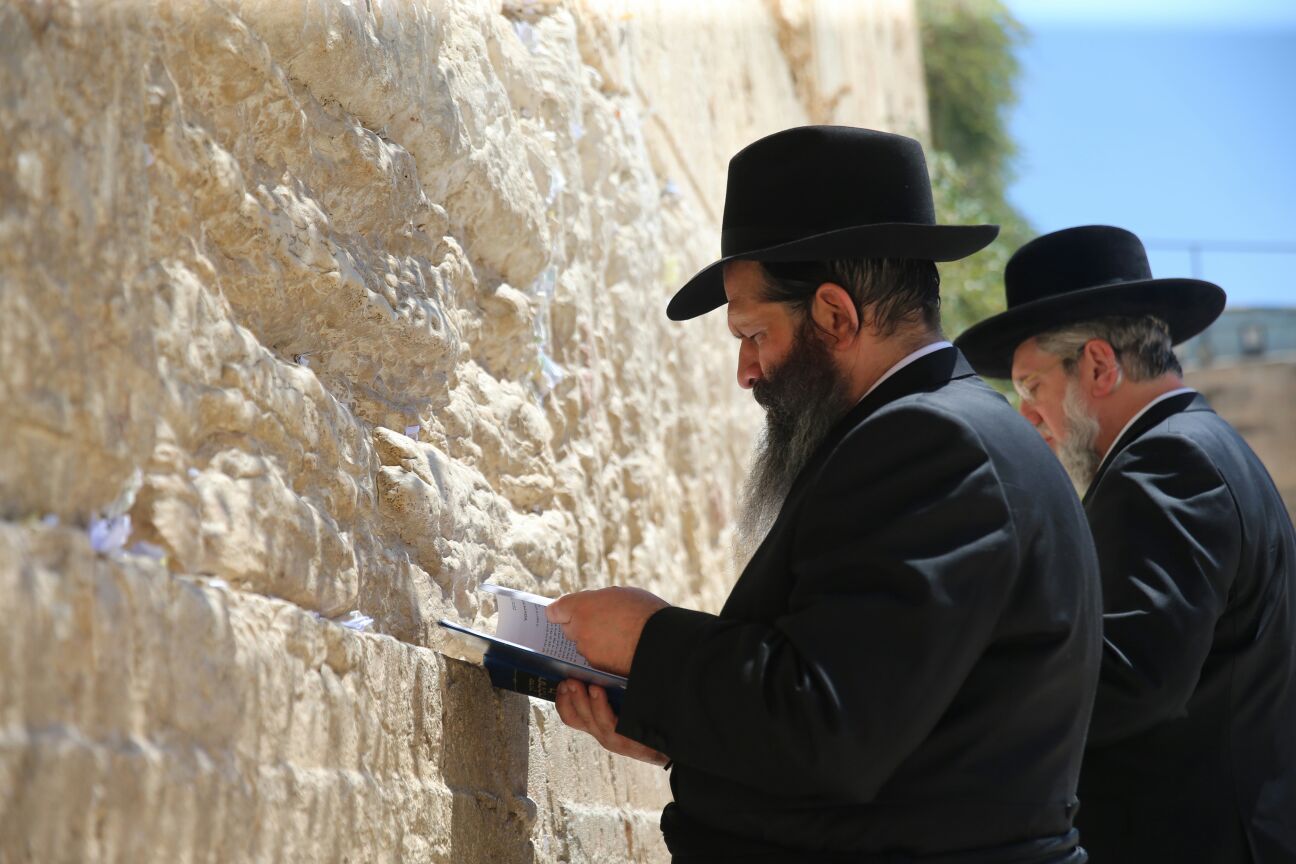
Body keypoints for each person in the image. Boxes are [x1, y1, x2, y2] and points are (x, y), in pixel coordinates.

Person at [546, 126, 1103, 863]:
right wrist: (668, 719)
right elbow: (884, 735)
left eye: (753, 333)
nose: (747, 371)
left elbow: (828, 726)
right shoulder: (944, 432)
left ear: (837, 316)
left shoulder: (931, 446)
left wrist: (648, 640)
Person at [955, 224, 1296, 863]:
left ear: (1098, 365)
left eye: (1031, 387)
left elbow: (1132, 677)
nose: (1027, 417)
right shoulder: (1203, 446)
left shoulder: (1167, 462)